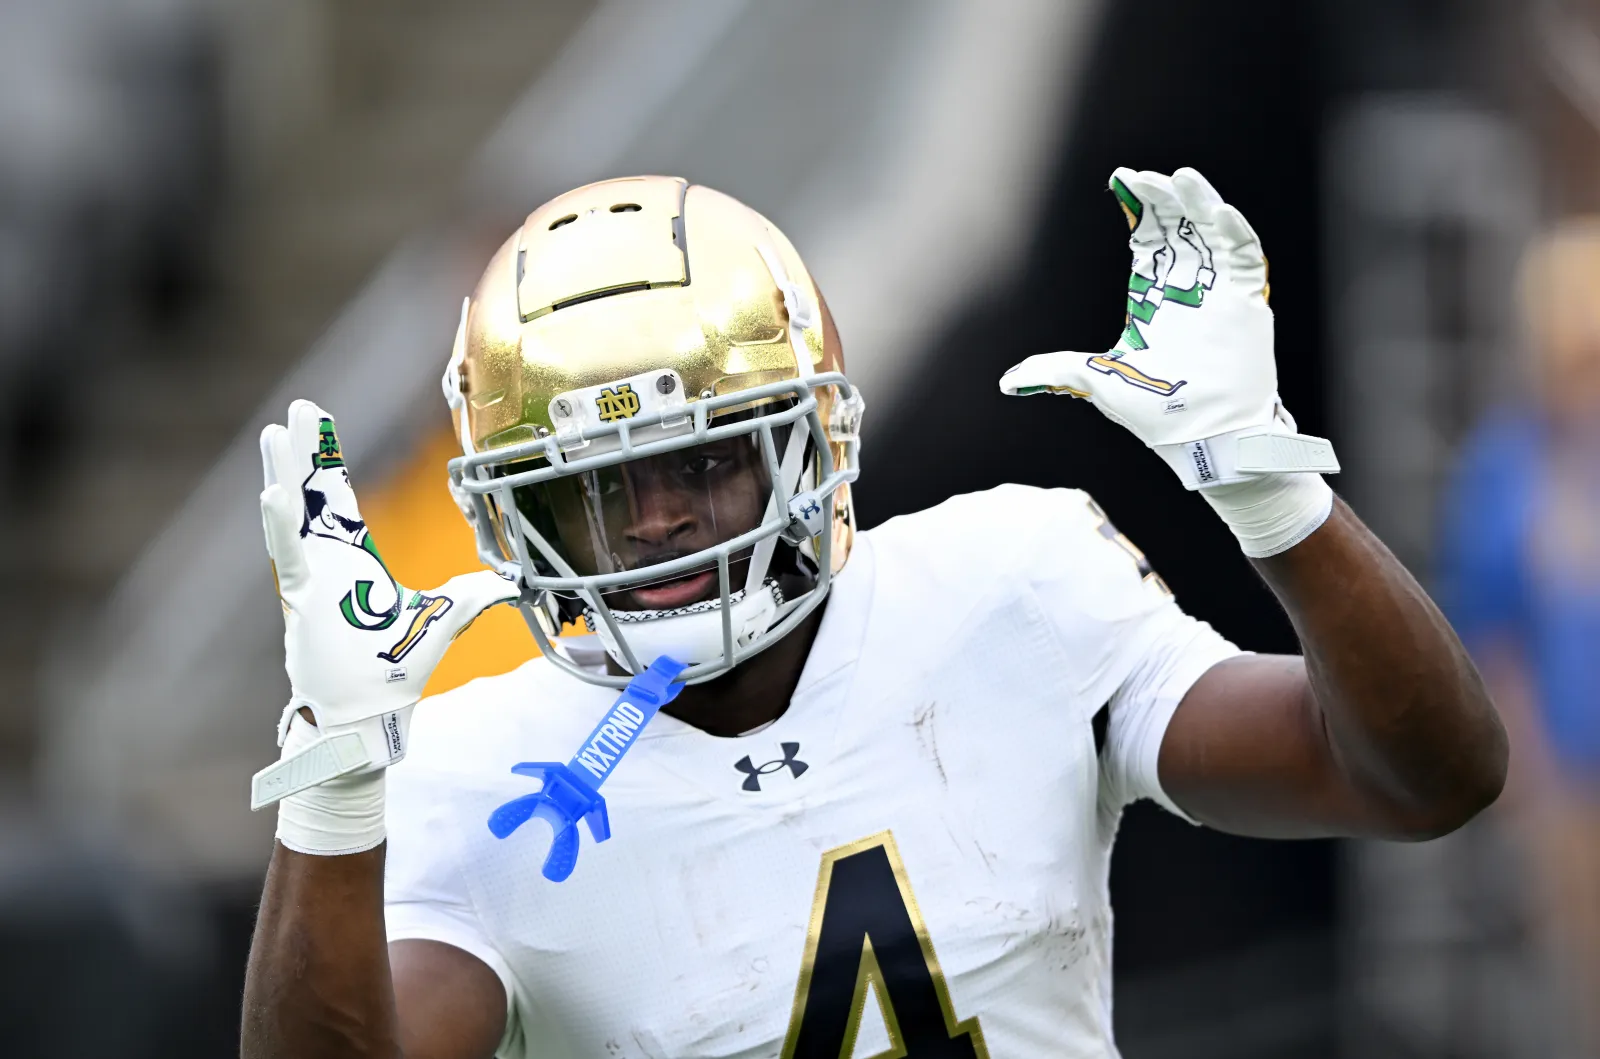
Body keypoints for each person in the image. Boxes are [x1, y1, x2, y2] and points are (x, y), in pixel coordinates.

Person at [240, 172, 1506, 1058]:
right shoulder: (477, 773)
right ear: (514, 518)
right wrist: (335, 776)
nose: (659, 521)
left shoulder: (1009, 579)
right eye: (596, 495)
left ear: (812, 439)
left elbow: (1420, 778)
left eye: (701, 462)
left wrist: (1267, 484)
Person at [1437, 218, 1600, 1057]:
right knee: (1585, 971)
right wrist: (1524, 769)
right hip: (1570, 774)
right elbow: (1489, 628)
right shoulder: (1506, 467)